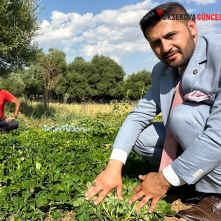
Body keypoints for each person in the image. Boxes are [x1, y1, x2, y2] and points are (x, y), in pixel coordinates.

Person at [85, 2, 221, 220]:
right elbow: (138, 116)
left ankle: (217, 195)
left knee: (183, 116)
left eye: (171, 36)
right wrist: (114, 165)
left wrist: (163, 180)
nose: (165, 48)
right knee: (142, 138)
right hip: (207, 146)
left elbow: (218, 135)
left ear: (192, 28)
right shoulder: (163, 71)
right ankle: (190, 179)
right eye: (156, 43)